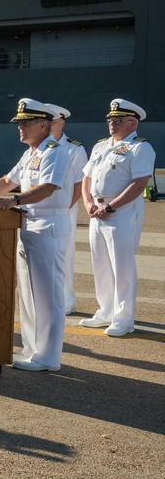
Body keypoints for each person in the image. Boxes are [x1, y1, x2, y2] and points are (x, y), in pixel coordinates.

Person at [0, 98, 71, 372]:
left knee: (47, 294)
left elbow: (48, 187)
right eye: (19, 123)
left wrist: (14, 201)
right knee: (26, 293)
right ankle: (31, 349)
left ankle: (48, 357)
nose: (20, 128)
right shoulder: (31, 153)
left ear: (43, 125)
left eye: (25, 123)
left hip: (48, 225)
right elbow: (7, 181)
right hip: (28, 225)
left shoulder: (55, 151)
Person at [79, 99, 156, 336]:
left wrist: (111, 207)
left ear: (133, 123)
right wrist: (89, 203)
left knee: (122, 267)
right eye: (110, 119)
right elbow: (87, 178)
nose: (111, 123)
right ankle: (106, 311)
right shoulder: (101, 146)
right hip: (97, 213)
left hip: (121, 214)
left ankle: (124, 319)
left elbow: (139, 183)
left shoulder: (140, 148)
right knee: (100, 264)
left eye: (118, 120)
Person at [45, 103, 87, 315]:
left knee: (64, 253)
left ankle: (66, 300)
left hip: (65, 210)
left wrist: (63, 208)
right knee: (43, 255)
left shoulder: (75, 148)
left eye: (53, 122)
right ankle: (48, 299)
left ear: (62, 123)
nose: (49, 126)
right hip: (41, 211)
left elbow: (80, 183)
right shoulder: (40, 147)